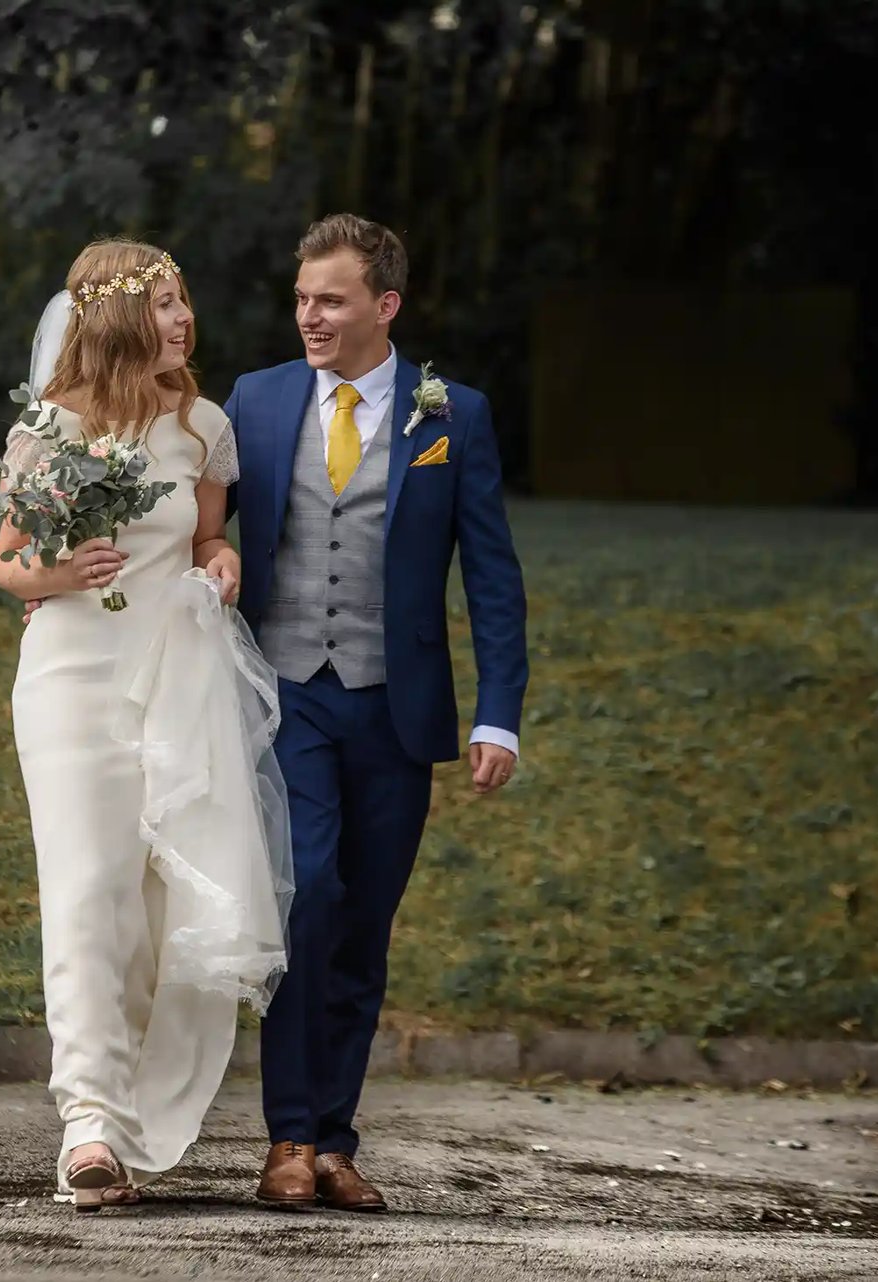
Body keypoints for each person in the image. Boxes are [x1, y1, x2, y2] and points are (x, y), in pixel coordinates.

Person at [222, 213, 529, 1211]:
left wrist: (498, 713)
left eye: (332, 299)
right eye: (302, 299)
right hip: (287, 695)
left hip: (398, 707)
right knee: (308, 894)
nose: (310, 316)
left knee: (364, 926)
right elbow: (198, 527)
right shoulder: (258, 399)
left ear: (384, 305)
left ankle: (335, 1142)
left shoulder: (453, 415)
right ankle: (287, 1135)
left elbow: (492, 575)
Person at [0, 239, 294, 1211]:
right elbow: (7, 562)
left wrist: (220, 562)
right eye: (164, 303)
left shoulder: (203, 426)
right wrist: (59, 571)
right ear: (121, 318)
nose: (183, 318)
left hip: (176, 681)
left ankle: (131, 1120)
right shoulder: (53, 427)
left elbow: (206, 534)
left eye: (183, 299)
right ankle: (86, 1124)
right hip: (72, 681)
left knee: (163, 911)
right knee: (89, 892)